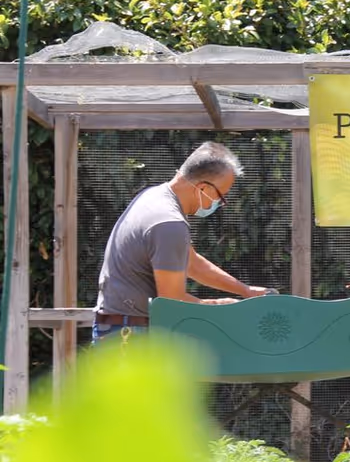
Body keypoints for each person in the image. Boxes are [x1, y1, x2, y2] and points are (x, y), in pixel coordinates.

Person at [92, 142, 271, 343]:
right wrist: (217, 307)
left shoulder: (154, 196)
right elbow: (172, 303)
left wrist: (244, 290)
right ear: (203, 188)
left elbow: (192, 263)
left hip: (119, 329)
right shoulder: (169, 224)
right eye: (222, 196)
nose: (220, 204)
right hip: (129, 337)